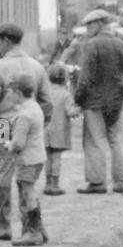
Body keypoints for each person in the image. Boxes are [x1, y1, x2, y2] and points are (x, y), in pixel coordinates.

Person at [0, 23, 51, 240]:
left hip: (3, 124)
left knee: (1, 172)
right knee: (25, 176)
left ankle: (3, 226)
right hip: (29, 125)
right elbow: (47, 102)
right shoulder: (37, 66)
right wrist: (40, 124)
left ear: (6, 41)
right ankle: (31, 227)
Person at [73, 8, 123, 194]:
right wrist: (122, 95)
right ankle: (119, 182)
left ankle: (97, 182)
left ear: (99, 24)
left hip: (94, 103)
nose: (87, 29)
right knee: (115, 140)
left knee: (95, 142)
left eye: (90, 25)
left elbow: (85, 78)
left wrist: (78, 98)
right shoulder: (122, 45)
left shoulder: (91, 46)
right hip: (115, 103)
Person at [2, 74, 49, 247]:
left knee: (27, 194)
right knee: (31, 193)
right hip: (37, 157)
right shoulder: (35, 107)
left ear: (18, 93)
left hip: (26, 160)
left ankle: (33, 232)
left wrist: (9, 145)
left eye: (11, 92)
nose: (9, 95)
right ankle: (40, 230)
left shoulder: (24, 114)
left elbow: (19, 143)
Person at [42, 63, 81, 196]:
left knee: (47, 158)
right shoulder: (66, 95)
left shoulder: (45, 94)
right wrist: (79, 109)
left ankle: (47, 184)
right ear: (64, 78)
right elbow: (70, 112)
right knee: (56, 157)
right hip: (60, 130)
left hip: (45, 129)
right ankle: (55, 184)